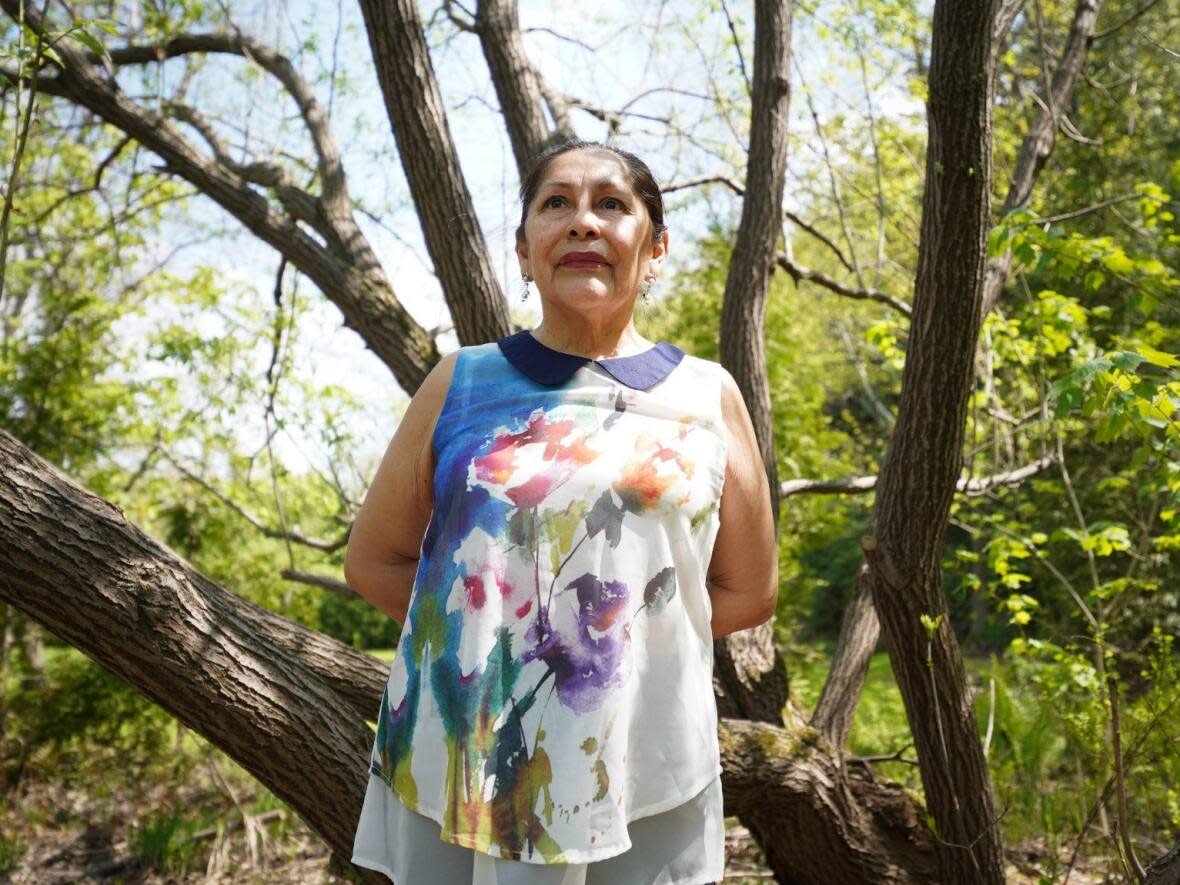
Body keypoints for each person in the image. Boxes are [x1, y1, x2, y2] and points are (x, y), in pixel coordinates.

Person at [345, 139, 778, 885]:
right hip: (474, 761)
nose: (583, 222)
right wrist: (490, 653)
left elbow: (749, 589)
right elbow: (373, 560)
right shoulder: (461, 380)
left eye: (611, 203)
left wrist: (624, 654)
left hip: (642, 759)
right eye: (557, 204)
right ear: (523, 250)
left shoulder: (709, 396)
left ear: (655, 248)